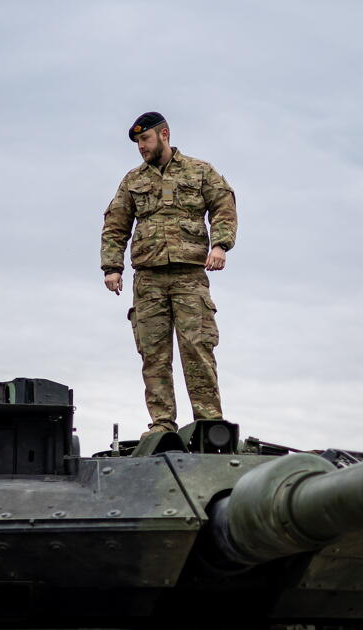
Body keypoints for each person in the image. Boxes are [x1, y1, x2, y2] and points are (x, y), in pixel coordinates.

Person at [100, 112, 237, 438]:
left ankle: (208, 423)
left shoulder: (199, 171)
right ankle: (162, 425)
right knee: (154, 355)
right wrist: (112, 267)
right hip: (148, 279)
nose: (141, 147)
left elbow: (224, 205)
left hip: (189, 276)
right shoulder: (133, 181)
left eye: (145, 139)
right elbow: (115, 224)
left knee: (198, 348)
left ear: (164, 134)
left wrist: (220, 245)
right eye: (137, 142)